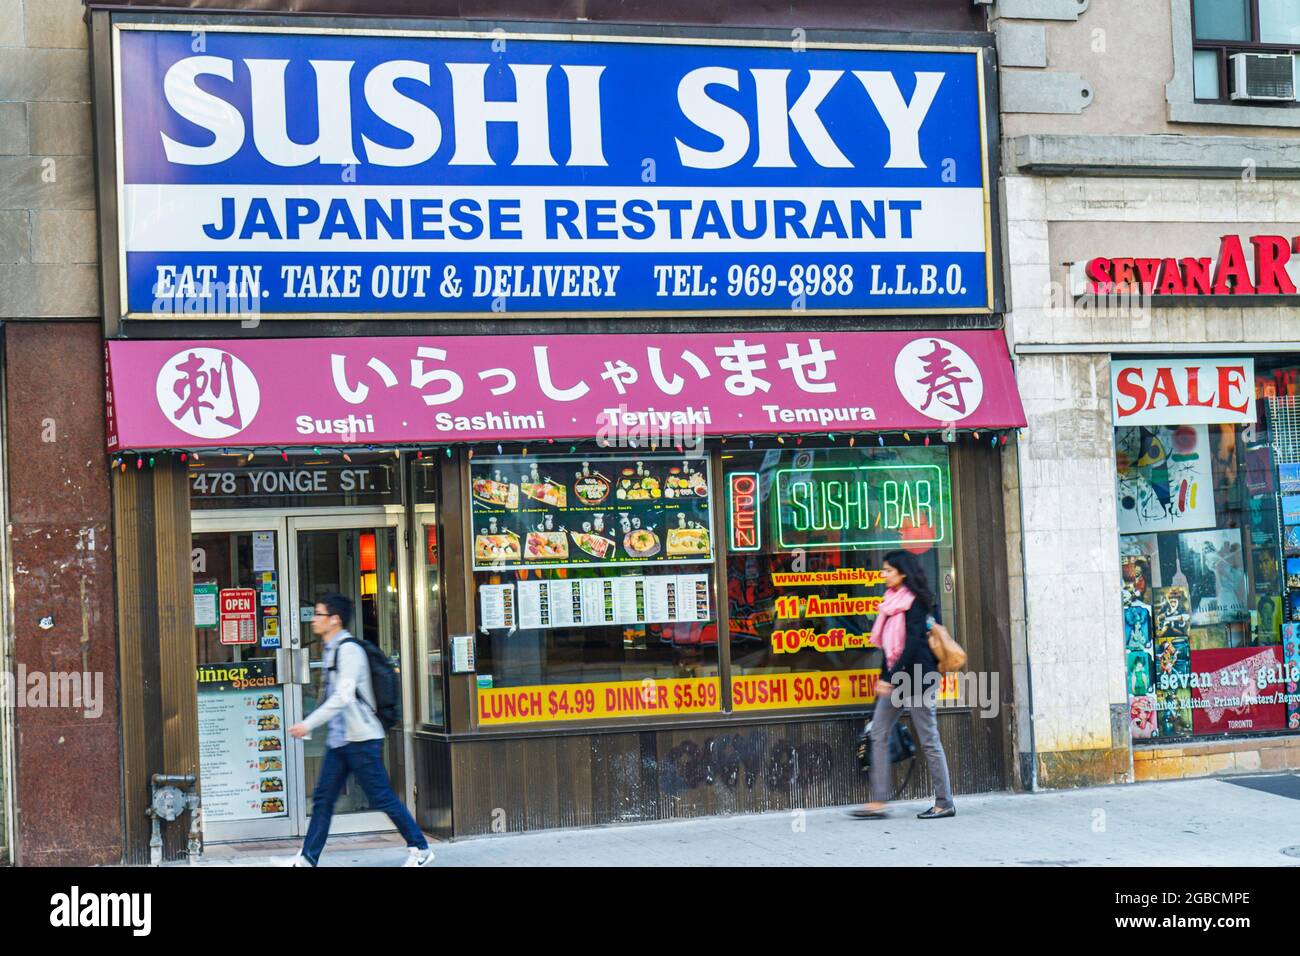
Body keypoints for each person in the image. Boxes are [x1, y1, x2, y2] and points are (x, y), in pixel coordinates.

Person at [279, 592, 434, 867]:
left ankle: (420, 847)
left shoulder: (349, 651)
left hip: (361, 740)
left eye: (319, 614)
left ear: (335, 620)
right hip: (341, 742)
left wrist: (308, 724)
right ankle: (307, 858)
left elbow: (343, 696)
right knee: (324, 799)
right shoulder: (330, 649)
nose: (314, 619)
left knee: (382, 796)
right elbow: (331, 697)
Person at [850, 551, 955, 820]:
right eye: (883, 570)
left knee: (929, 740)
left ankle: (945, 803)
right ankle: (879, 801)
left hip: (919, 677)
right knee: (879, 732)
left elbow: (911, 645)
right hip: (897, 677)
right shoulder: (890, 601)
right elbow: (889, 646)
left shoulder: (916, 602)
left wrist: (889, 677)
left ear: (903, 573)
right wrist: (885, 675)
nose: (883, 574)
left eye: (888, 570)